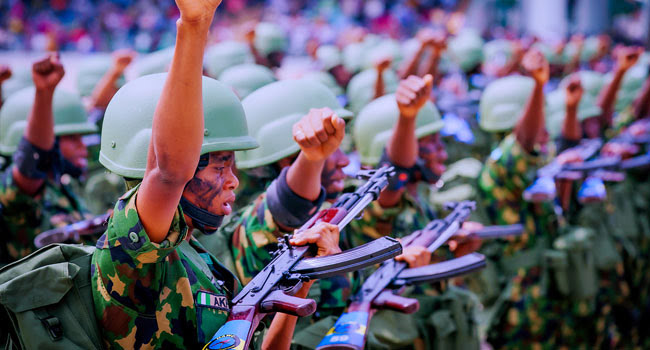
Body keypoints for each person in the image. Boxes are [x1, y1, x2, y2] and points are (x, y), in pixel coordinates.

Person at [90, 1, 343, 348]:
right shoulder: (134, 256)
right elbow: (168, 171)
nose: (233, 180)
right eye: (219, 165)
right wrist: (194, 26)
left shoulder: (200, 258)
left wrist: (300, 282)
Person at [0, 53, 97, 263]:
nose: (83, 146)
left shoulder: (61, 186)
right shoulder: (18, 191)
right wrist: (44, 94)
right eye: (72, 138)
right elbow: (33, 162)